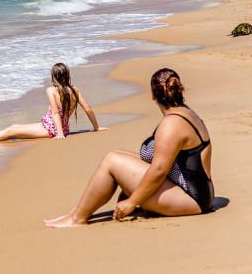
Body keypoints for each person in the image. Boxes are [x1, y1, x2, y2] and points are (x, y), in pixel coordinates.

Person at [45, 68, 213, 227]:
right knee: (116, 154)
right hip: (199, 193)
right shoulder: (185, 112)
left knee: (112, 160)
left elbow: (159, 170)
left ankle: (77, 219)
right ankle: (75, 212)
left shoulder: (171, 124)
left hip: (191, 198)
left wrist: (131, 202)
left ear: (153, 96)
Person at [0, 63, 100, 143]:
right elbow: (88, 109)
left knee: (10, 131)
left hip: (52, 129)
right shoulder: (74, 90)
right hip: (57, 128)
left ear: (53, 76)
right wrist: (96, 128)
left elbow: (55, 113)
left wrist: (60, 134)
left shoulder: (51, 90)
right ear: (67, 75)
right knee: (14, 129)